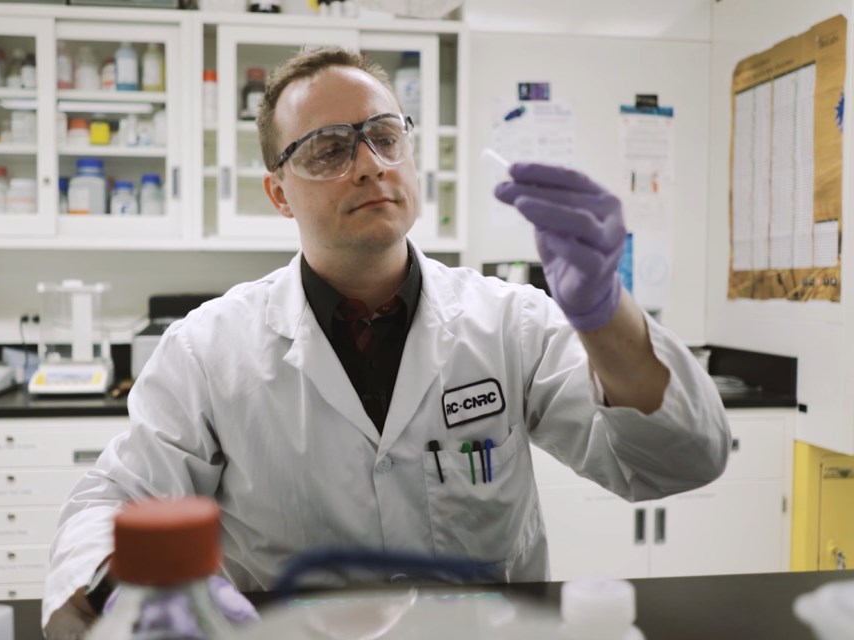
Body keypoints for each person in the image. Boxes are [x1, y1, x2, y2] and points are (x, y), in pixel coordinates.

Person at [43, 46, 730, 635]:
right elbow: (110, 503)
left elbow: (680, 460)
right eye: (329, 149)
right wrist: (137, 596)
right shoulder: (208, 349)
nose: (370, 164)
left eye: (384, 135)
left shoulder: (509, 322)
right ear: (279, 193)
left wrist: (605, 313)